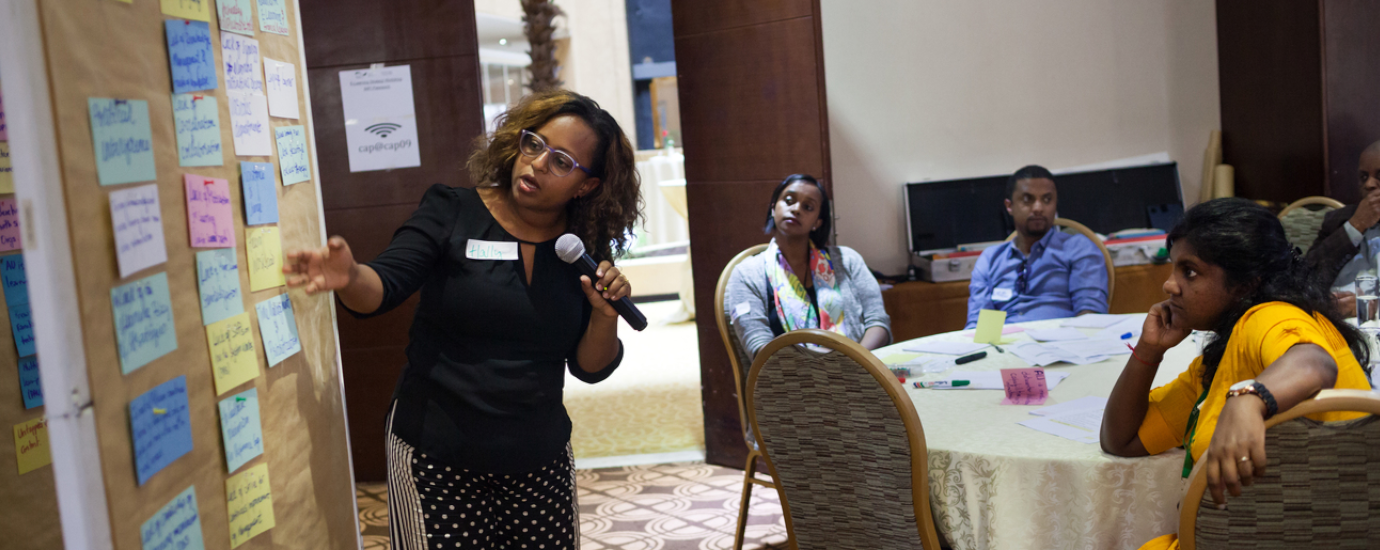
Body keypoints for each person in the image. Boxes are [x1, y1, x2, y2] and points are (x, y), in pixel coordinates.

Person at [282, 90, 642, 550]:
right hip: (437, 454)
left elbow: (591, 368)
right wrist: (350, 275)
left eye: (561, 162)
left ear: (586, 186)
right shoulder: (452, 211)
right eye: (534, 144)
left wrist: (603, 315)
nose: (536, 164)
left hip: (539, 457)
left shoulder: (581, 247)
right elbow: (383, 285)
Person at [1098, 198, 1372, 550]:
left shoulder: (1269, 318)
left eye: (1190, 271)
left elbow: (1314, 362)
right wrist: (1150, 351)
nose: (1169, 285)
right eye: (1173, 269)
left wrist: (1247, 401)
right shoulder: (1221, 357)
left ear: (1245, 284)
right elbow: (1121, 441)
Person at [725, 174, 891, 359]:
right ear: (773, 209)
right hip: (788, 381)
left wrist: (854, 360)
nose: (796, 209)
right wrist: (815, 364)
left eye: (808, 207)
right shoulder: (746, 273)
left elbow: (878, 322)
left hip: (857, 371)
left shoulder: (848, 260)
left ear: (817, 223)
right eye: (788, 201)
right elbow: (757, 346)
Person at [965, 165, 1108, 328]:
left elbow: (1090, 316)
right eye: (1027, 200)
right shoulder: (991, 259)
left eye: (1047, 200)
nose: (1038, 208)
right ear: (1009, 206)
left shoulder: (1077, 248)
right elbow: (980, 327)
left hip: (1063, 344)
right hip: (1005, 346)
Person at [1304, 139, 1380, 314]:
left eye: (1379, 176)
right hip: (1337, 326)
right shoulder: (1336, 220)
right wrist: (1356, 225)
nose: (1369, 184)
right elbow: (1304, 278)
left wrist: (1372, 307)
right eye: (1363, 177)